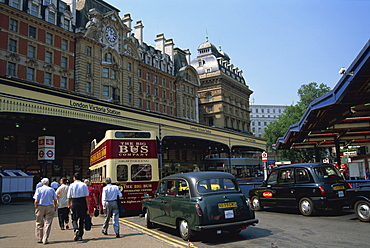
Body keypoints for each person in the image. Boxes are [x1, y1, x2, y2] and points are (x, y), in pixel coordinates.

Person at [33, 178, 58, 245]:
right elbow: (55, 200)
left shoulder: (39, 189)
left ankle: (39, 238)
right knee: (48, 223)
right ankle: (45, 239)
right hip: (49, 206)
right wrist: (55, 207)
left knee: (39, 222)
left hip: (40, 206)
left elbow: (36, 200)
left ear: (42, 183)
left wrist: (36, 206)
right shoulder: (51, 189)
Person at [67, 173, 89, 241]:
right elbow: (86, 196)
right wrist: (87, 206)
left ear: (74, 178)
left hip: (75, 202)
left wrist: (69, 204)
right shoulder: (84, 185)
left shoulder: (71, 185)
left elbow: (69, 196)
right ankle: (80, 236)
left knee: (74, 218)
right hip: (82, 202)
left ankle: (76, 229)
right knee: (82, 219)